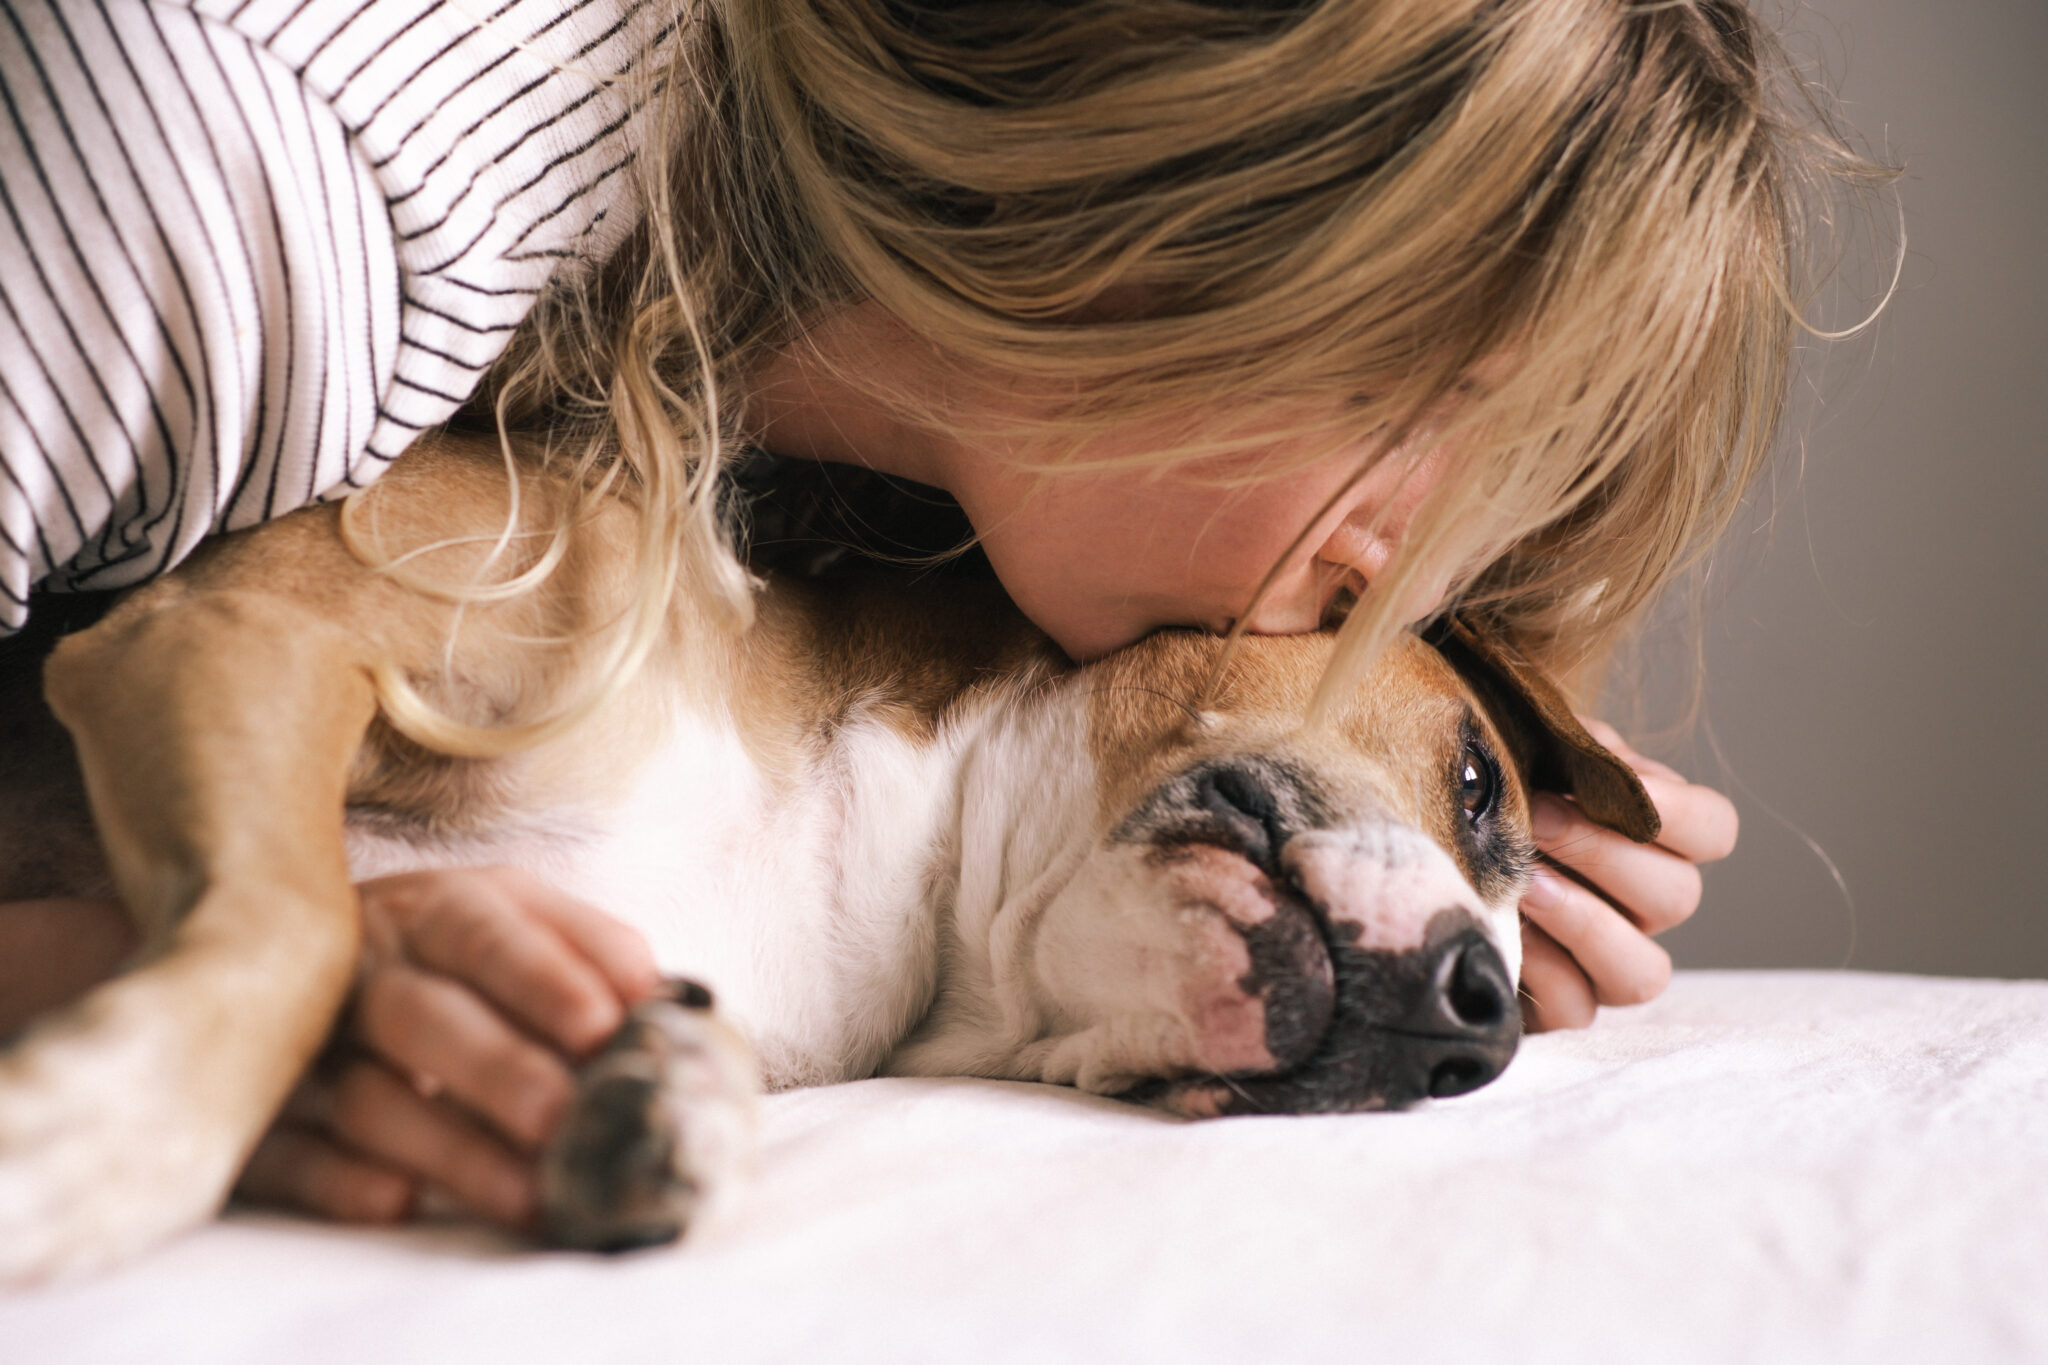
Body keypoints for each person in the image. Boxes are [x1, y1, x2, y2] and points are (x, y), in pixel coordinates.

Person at [0, 0, 1880, 1231]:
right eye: (1429, 485)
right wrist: (222, 978)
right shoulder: (273, 175)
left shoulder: (827, 515)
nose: (1375, 598)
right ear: (1225, 238)